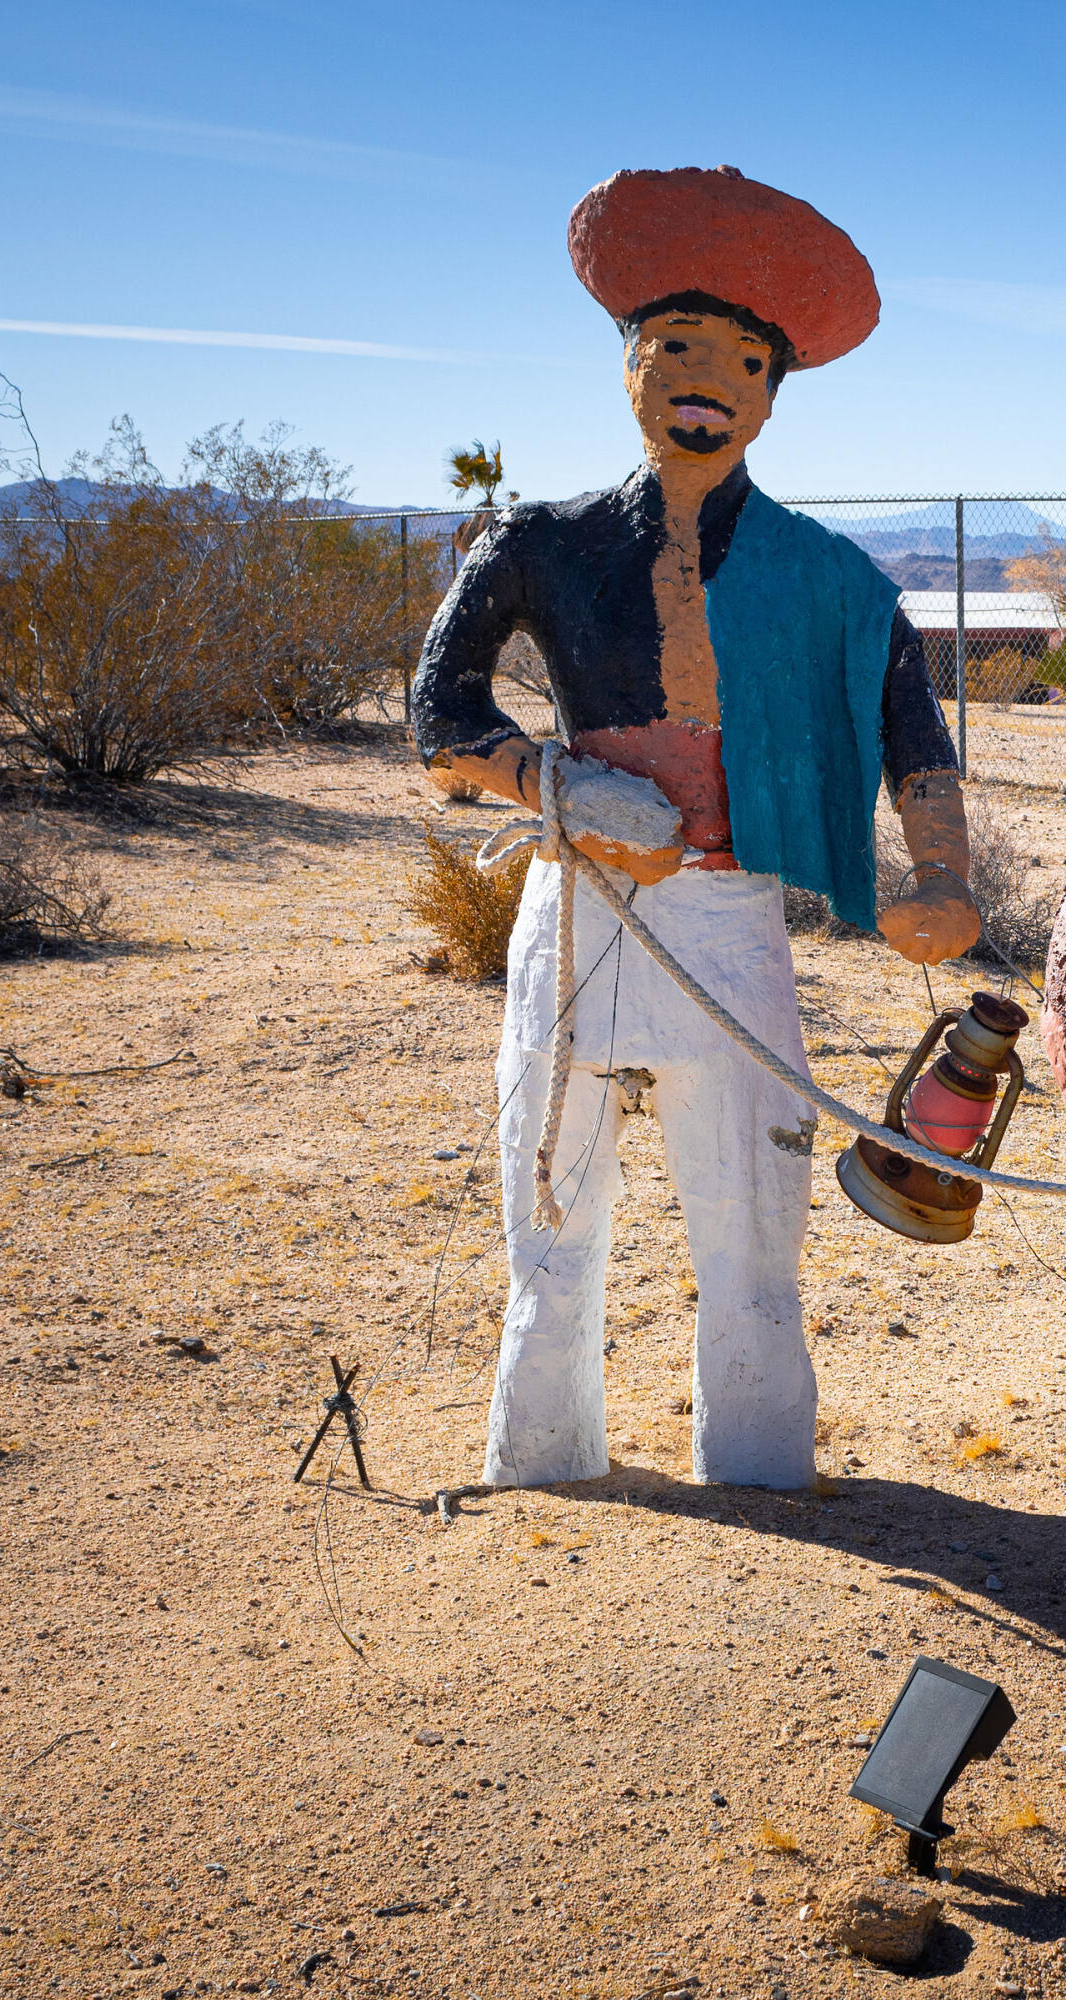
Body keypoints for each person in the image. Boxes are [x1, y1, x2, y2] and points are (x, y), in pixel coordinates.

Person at [410, 167, 979, 1490]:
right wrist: (548, 783)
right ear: (627, 368)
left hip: (732, 925)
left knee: (753, 1236)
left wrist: (938, 877)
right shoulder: (538, 542)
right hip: (576, 922)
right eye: (675, 346)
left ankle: (764, 1467)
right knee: (549, 1222)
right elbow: (438, 714)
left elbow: (915, 740)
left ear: (773, 396)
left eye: (741, 358)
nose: (705, 378)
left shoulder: (835, 581)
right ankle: (543, 1461)